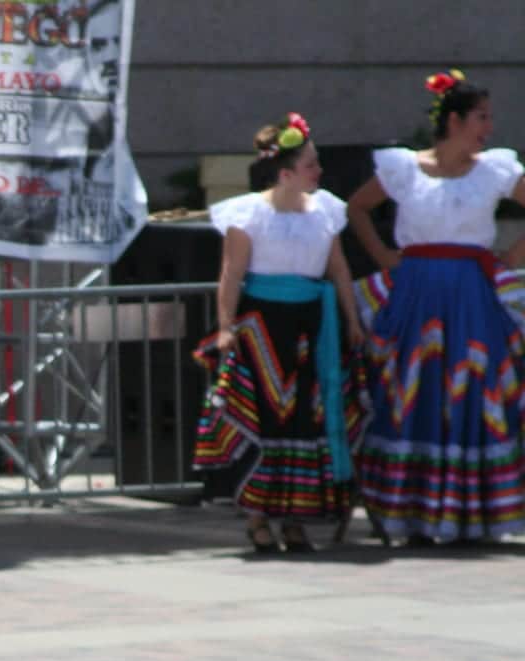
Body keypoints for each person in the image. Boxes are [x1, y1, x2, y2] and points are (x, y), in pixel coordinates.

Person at [346, 71, 525, 544]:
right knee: (412, 389)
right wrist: (384, 255)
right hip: (417, 292)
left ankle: (472, 515)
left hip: (471, 292)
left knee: (472, 387)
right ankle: (414, 513)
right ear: (454, 120)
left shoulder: (496, 170)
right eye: (481, 117)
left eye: (488, 117)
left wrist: (514, 256)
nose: (488, 126)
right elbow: (357, 207)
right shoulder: (404, 168)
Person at [194, 113, 366, 553]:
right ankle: (257, 518)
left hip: (311, 326)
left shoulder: (326, 209)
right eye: (310, 165)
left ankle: (295, 517)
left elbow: (339, 269)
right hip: (263, 328)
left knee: (306, 419)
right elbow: (231, 273)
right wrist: (227, 327)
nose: (319, 171)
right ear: (285, 173)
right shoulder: (250, 214)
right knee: (266, 417)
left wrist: (352, 320)